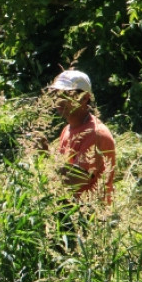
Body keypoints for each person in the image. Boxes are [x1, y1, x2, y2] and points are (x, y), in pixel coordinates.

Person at [47, 69, 116, 202]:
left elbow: (74, 181)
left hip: (90, 215)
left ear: (85, 98)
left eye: (66, 94)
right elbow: (60, 171)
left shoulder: (96, 134)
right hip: (68, 210)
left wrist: (45, 157)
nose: (58, 99)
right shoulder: (67, 129)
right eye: (56, 93)